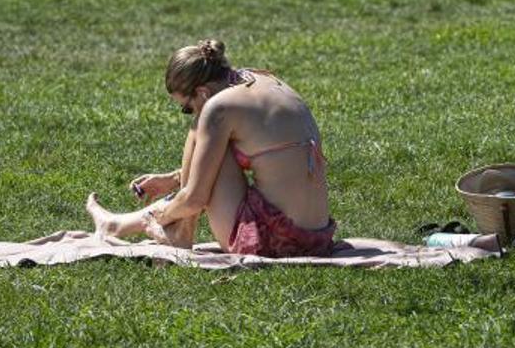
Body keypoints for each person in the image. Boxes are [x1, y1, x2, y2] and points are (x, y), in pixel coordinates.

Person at [84, 39, 336, 257]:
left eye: (186, 107)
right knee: (211, 136)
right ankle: (116, 225)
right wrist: (174, 179)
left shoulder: (219, 108)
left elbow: (195, 199)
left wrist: (160, 217)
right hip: (317, 239)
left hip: (273, 244)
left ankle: (180, 234)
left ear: (202, 91)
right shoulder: (263, 80)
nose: (189, 111)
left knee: (199, 129)